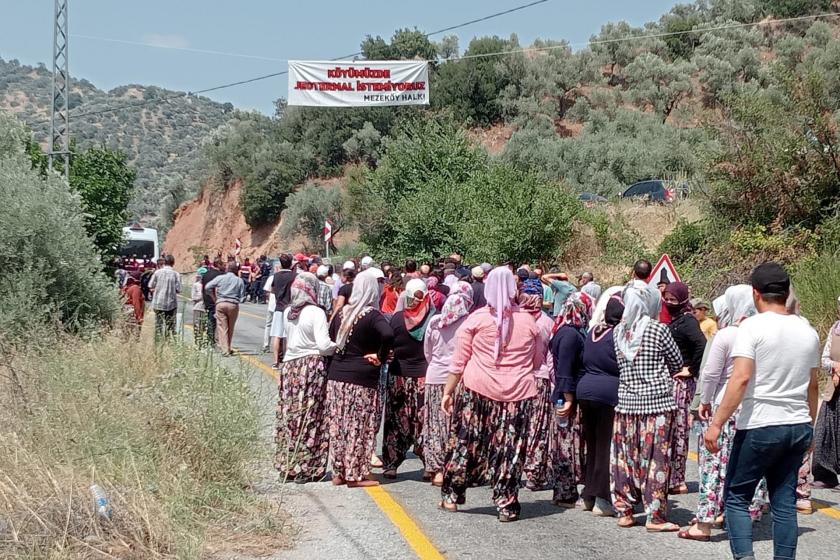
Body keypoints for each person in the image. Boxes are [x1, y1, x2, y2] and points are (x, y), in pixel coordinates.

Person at [704, 263, 820, 560]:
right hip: (797, 424)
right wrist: (811, 428)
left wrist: (716, 424)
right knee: (783, 502)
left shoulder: (752, 327)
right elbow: (813, 388)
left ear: (756, 294)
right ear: (786, 292)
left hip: (760, 423)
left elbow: (740, 378)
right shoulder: (808, 331)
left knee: (737, 497)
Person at [439, 267, 541, 522]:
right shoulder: (529, 322)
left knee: (464, 442)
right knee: (511, 449)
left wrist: (447, 392)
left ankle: (452, 496)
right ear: (513, 289)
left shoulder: (475, 320)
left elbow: (458, 361)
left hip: (477, 390)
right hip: (517, 394)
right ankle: (506, 503)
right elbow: (537, 360)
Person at [679, 284, 766, 542]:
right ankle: (743, 515)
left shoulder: (727, 335)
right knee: (747, 465)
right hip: (755, 410)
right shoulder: (764, 333)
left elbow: (710, 374)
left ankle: (704, 523)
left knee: (713, 465)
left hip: (724, 407)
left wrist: (703, 402)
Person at [611, 284, 683, 531]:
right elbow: (676, 362)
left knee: (625, 459)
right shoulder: (658, 329)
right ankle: (655, 515)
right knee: (656, 460)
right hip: (657, 405)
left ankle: (625, 511)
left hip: (626, 404)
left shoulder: (618, 332)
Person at [327, 273, 395, 487]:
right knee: (359, 426)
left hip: (337, 376)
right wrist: (381, 356)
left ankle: (339, 472)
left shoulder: (342, 312)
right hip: (361, 378)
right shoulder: (372, 315)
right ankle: (355, 474)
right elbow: (388, 335)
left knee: (339, 425)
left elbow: (331, 337)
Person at [275, 272, 336, 484]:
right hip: (311, 367)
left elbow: (286, 341)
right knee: (312, 417)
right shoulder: (316, 312)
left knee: (290, 417)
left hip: (290, 367)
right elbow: (323, 345)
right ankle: (308, 468)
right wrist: (339, 347)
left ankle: (288, 466)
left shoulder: (287, 312)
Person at [423, 281, 473, 487]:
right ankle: (454, 467)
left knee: (435, 425)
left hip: (434, 377)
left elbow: (427, 351)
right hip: (460, 380)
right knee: (457, 424)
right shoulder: (469, 324)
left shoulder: (435, 322)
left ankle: (435, 470)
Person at [383, 278, 435, 479]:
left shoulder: (396, 319)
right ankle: (429, 464)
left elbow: (387, 344)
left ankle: (391, 464)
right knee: (423, 421)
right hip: (423, 376)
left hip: (398, 375)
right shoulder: (432, 319)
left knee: (395, 419)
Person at [577, 295, 623, 517]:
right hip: (608, 392)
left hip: (585, 389)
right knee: (606, 447)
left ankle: (587, 494)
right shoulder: (618, 335)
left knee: (592, 445)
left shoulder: (593, 331)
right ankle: (603, 498)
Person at [662, 281, 708, 495]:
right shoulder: (676, 320)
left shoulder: (687, 321)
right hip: (673, 381)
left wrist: (690, 369)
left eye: (673, 299)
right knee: (671, 432)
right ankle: (671, 476)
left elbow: (701, 344)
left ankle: (678, 479)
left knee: (680, 431)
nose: (669, 303)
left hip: (682, 384)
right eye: (667, 299)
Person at [549, 292, 592, 507]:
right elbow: (564, 368)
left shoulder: (567, 331)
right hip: (566, 396)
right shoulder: (570, 335)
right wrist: (568, 399)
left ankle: (567, 491)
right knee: (566, 445)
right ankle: (565, 492)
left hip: (568, 394)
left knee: (568, 444)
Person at [519, 283, 555, 491]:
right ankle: (535, 473)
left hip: (517, 379)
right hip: (540, 379)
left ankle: (516, 468)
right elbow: (551, 358)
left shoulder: (514, 320)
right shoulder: (547, 323)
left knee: (519, 425)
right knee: (538, 427)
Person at [814, 296, 840, 489]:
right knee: (824, 430)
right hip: (835, 387)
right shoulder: (835, 329)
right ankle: (825, 474)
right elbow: (824, 358)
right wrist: (835, 366)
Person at [204, 261, 245, 356]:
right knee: (230, 327)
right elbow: (242, 297)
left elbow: (207, 287)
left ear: (227, 269)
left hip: (221, 303)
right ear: (236, 270)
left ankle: (224, 349)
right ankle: (228, 347)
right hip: (233, 304)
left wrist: (214, 297)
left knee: (222, 328)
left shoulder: (220, 278)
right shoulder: (239, 280)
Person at [271, 254, 296, 367]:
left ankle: (275, 361)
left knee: (277, 335)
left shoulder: (276, 276)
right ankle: (286, 360)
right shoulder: (294, 276)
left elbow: (272, 290)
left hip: (279, 307)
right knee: (288, 335)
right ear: (291, 263)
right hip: (290, 307)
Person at [148, 254, 181, 342]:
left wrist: (156, 289)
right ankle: (168, 342)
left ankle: (157, 344)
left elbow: (150, 285)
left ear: (164, 262)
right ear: (173, 263)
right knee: (170, 326)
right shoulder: (176, 274)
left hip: (158, 303)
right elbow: (178, 289)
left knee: (158, 325)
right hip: (171, 304)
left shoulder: (157, 272)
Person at [202, 259, 223, 346]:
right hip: (216, 300)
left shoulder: (206, 273)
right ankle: (213, 340)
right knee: (217, 321)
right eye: (222, 264)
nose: (224, 266)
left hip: (206, 299)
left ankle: (209, 338)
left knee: (209, 319)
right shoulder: (220, 275)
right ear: (218, 264)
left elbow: (202, 287)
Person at [191, 268, 207, 345]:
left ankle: (203, 340)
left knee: (204, 326)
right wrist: (202, 295)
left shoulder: (208, 285)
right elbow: (193, 297)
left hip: (205, 308)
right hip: (197, 307)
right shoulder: (196, 285)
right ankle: (197, 341)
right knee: (197, 325)